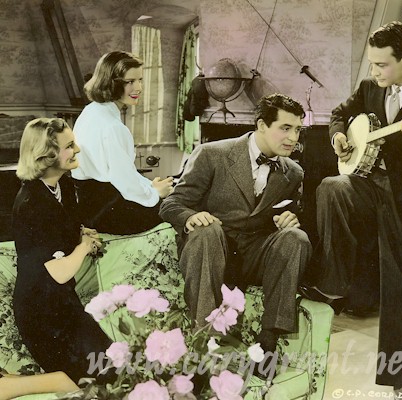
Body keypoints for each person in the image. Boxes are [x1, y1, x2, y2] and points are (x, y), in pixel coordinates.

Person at [305, 21, 402, 397]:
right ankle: (333, 282)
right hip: (366, 187)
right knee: (331, 187)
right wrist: (338, 135)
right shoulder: (369, 88)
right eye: (372, 64)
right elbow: (340, 114)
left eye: (382, 64)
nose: (374, 71)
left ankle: (400, 383)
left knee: (400, 294)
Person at [159, 94, 312, 367]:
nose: (293, 138)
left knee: (296, 238)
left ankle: (269, 341)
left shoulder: (294, 172)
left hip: (253, 255)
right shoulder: (211, 154)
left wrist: (289, 219)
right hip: (212, 250)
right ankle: (204, 340)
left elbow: (284, 214)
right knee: (207, 229)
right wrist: (192, 216)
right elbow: (171, 204)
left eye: (298, 130)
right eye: (285, 128)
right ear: (262, 125)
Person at [0, 118, 113, 399]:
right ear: (47, 155)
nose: (78, 150)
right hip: (41, 316)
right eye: (69, 146)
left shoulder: (62, 185)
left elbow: (60, 229)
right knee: (96, 383)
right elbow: (58, 272)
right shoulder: (32, 203)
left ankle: (21, 381)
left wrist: (80, 233)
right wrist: (83, 247)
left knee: (114, 368)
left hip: (64, 306)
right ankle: (12, 386)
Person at [72, 51, 173, 235]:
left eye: (140, 80)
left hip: (89, 209)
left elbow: (120, 174)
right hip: (108, 214)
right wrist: (156, 193)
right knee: (178, 207)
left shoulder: (90, 112)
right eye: (130, 82)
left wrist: (150, 186)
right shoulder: (113, 127)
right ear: (111, 82)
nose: (138, 88)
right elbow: (124, 183)